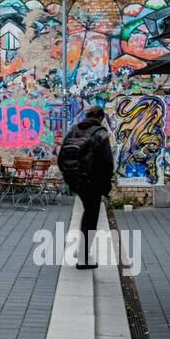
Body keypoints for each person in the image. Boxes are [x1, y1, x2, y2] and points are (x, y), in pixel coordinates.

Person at [57, 104, 114, 269]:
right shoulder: (100, 133)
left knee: (87, 212)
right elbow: (107, 163)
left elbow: (61, 158)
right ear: (101, 117)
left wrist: (71, 179)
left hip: (76, 181)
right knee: (91, 217)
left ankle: (82, 250)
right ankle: (83, 258)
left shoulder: (74, 130)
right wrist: (105, 186)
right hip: (92, 182)